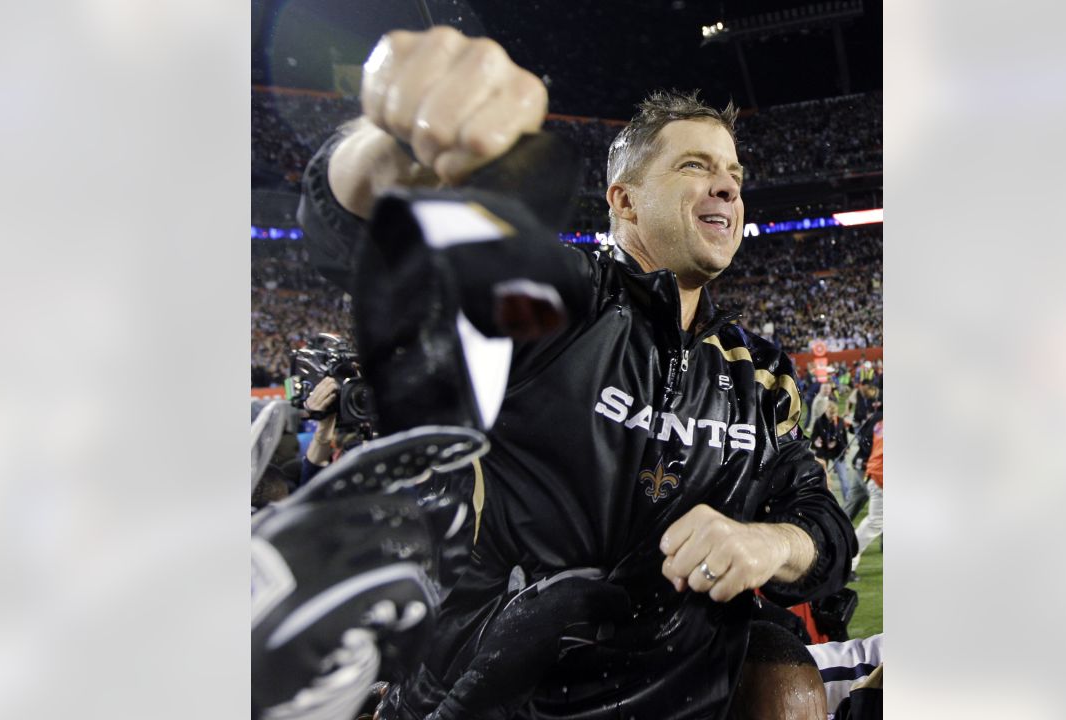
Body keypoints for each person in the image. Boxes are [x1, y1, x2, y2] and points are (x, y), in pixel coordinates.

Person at [299, 26, 855, 719]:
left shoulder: (761, 374)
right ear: (623, 201)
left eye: (735, 174)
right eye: (694, 166)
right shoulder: (556, 297)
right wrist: (393, 155)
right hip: (491, 701)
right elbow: (367, 239)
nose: (726, 186)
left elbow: (826, 529)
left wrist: (769, 542)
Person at [848, 411, 883, 576]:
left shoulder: (879, 417)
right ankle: (847, 560)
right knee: (874, 523)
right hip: (880, 477)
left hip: (874, 472)